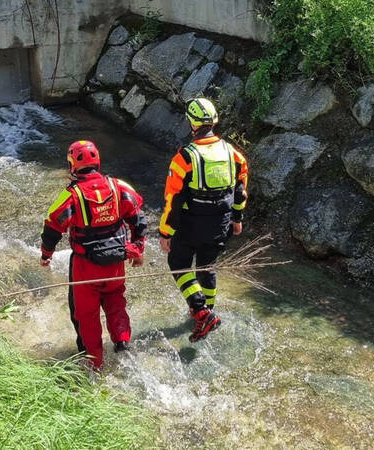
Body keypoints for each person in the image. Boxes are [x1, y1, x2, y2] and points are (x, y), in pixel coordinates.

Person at [40, 140, 146, 370]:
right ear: (97, 161)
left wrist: (46, 254)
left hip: (86, 267)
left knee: (86, 316)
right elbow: (138, 218)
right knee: (116, 302)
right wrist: (137, 249)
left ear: (72, 166)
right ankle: (123, 345)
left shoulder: (71, 195)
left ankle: (93, 365)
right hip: (117, 262)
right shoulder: (119, 186)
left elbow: (52, 224)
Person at [159, 97, 248, 342]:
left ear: (192, 124)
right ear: (214, 122)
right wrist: (237, 218)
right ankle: (209, 312)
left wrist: (165, 232)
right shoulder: (234, 154)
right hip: (221, 223)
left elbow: (173, 200)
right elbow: (240, 191)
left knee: (179, 264)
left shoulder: (185, 158)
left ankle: (200, 311)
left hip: (191, 224)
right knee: (207, 267)